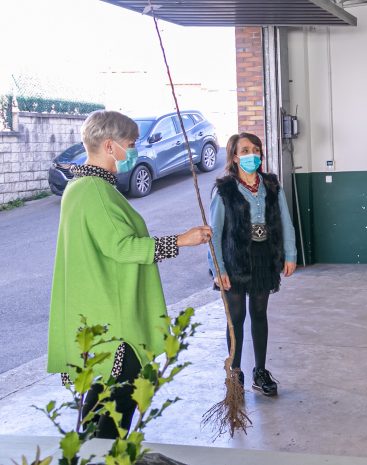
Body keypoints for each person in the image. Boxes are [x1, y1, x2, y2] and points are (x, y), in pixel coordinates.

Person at [47, 110, 212, 439]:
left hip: (102, 314)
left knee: (106, 406)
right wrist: (181, 240)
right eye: (131, 144)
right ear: (110, 146)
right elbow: (122, 247)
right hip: (113, 318)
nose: (135, 150)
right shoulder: (92, 190)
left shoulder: (85, 187)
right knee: (113, 409)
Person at [209, 132, 297, 397]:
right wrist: (218, 269)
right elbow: (214, 232)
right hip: (235, 260)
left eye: (256, 150)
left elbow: (285, 220)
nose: (251, 155)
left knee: (259, 314)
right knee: (236, 318)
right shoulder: (225, 189)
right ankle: (235, 373)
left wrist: (290, 253)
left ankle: (260, 371)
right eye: (245, 151)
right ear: (235, 157)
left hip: (263, 258)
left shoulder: (271, 185)